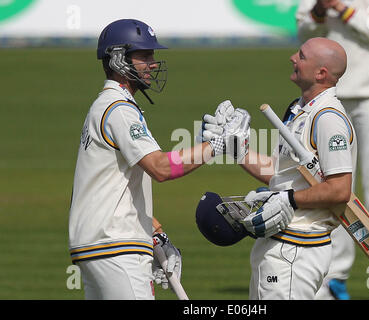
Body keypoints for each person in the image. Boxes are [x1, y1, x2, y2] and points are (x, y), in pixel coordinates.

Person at [68, 19, 249, 299]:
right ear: (118, 59)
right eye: (145, 56)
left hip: (100, 245)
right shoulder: (119, 109)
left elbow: (114, 188)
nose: (153, 63)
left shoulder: (109, 106)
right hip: (115, 247)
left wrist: (155, 232)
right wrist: (216, 145)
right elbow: (161, 168)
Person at [204, 37, 357, 299]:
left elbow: (340, 189)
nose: (292, 58)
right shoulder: (298, 109)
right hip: (278, 242)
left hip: (297, 248)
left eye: (302, 56)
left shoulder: (328, 119)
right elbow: (279, 172)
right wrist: (235, 150)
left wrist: (288, 200)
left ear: (321, 73)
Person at [296, 0, 369, 300]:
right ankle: (333, 277)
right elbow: (304, 31)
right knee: (331, 188)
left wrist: (342, 8)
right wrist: (321, 10)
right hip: (331, 98)